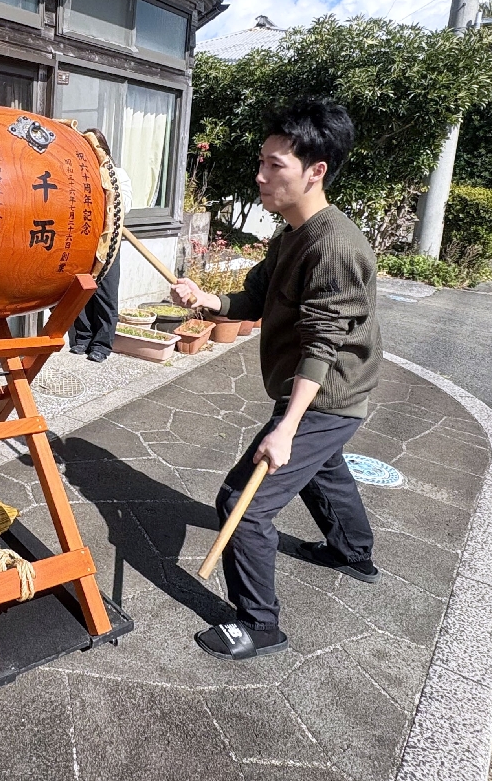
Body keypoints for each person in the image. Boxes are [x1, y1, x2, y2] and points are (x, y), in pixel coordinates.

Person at [170, 99, 382, 662]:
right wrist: (207, 299)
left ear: (316, 171)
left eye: (276, 165)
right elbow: (256, 297)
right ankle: (353, 551)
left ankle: (259, 624)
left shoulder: (334, 244)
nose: (260, 176)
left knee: (245, 502)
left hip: (325, 397)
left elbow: (324, 343)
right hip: (321, 395)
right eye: (261, 162)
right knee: (322, 472)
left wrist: (287, 426)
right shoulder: (290, 234)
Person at [69, 128, 133, 363]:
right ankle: (83, 338)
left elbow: (125, 205)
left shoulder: (117, 175)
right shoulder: (80, 175)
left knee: (106, 295)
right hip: (83, 242)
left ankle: (102, 344)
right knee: (82, 292)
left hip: (109, 243)